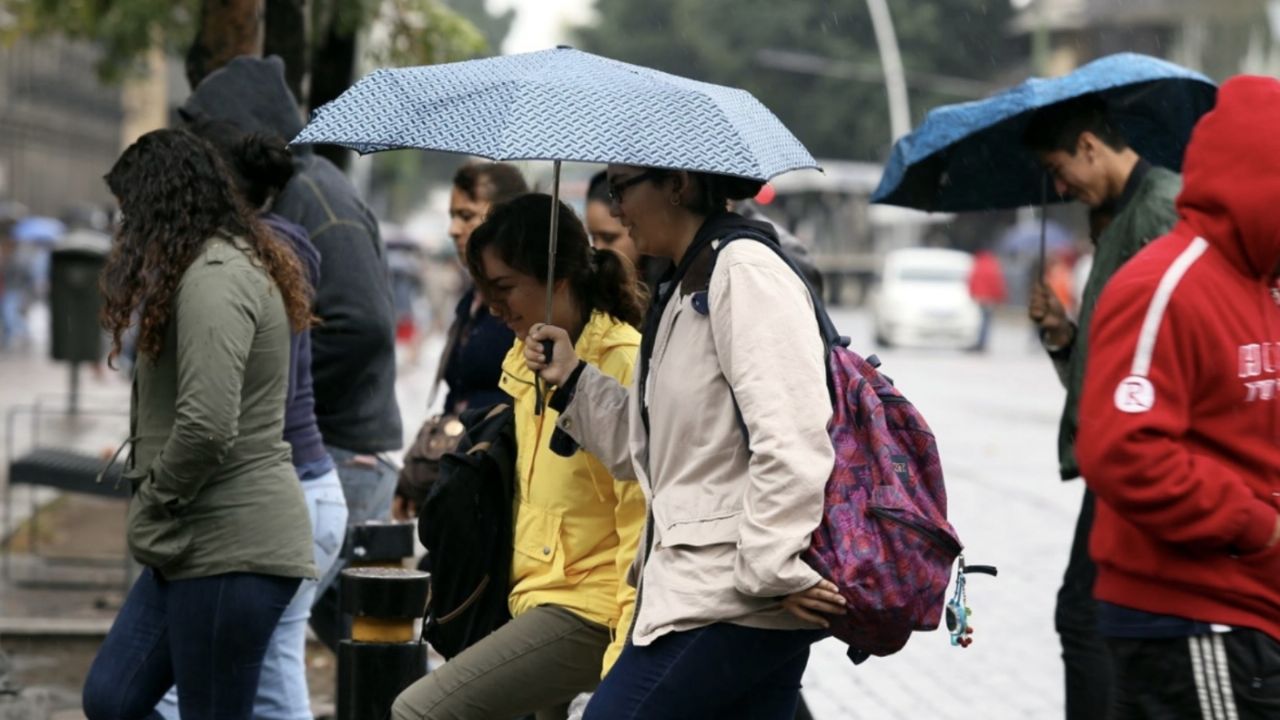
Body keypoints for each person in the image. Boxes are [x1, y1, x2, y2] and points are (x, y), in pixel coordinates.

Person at [526, 166, 839, 719]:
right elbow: (650, 451)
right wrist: (573, 377)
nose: (615, 206)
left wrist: (770, 571)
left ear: (678, 185)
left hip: (727, 597)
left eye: (623, 188)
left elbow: (793, 436)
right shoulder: (685, 282)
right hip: (713, 589)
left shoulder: (743, 274)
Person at [81, 128, 315, 720]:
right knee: (112, 697)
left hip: (232, 545)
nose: (124, 229)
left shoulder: (214, 275)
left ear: (163, 203)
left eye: (130, 212)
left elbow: (208, 424)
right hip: (194, 541)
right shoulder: (207, 265)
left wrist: (154, 500)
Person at [391, 193, 647, 720]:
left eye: (505, 288)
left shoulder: (621, 360)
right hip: (529, 598)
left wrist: (627, 649)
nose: (493, 307)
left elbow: (639, 515)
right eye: (484, 291)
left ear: (557, 276)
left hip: (588, 608)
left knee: (419, 711)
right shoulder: (529, 352)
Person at [178, 55, 402, 649]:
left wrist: (270, 390)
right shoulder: (296, 192)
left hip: (337, 451)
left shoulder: (315, 201)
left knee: (276, 639)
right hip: (328, 452)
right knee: (348, 639)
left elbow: (364, 328)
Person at [1076, 74, 1280, 720]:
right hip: (1190, 616)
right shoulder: (1168, 284)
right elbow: (1121, 449)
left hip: (1245, 612)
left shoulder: (1260, 288)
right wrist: (1259, 526)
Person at [148, 121, 350, 720]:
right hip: (305, 489)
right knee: (239, 685)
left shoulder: (230, 270)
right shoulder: (278, 254)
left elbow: (214, 418)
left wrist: (158, 495)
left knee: (214, 692)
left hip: (264, 500)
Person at [1023, 93, 1182, 720]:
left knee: (1085, 616)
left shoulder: (1161, 211)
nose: (1061, 186)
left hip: (1144, 451)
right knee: (1097, 616)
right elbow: (1113, 363)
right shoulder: (1122, 221)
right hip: (1118, 451)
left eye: (1061, 169)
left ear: (1091, 146)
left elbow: (1169, 349)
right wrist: (1063, 335)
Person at [439, 162, 530, 414]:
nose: (453, 230)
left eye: (466, 216)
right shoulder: (471, 300)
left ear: (503, 217)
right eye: (452, 216)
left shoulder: (529, 306)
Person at [585, 170, 665, 294]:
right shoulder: (591, 293)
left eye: (608, 238)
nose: (598, 248)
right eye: (593, 237)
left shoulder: (667, 291)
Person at [968, 249, 1007, 352]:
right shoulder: (993, 266)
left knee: (982, 320)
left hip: (979, 297)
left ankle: (980, 341)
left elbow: (971, 280)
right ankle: (982, 342)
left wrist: (972, 294)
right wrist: (1000, 297)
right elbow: (997, 284)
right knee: (986, 321)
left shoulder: (978, 265)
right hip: (989, 298)